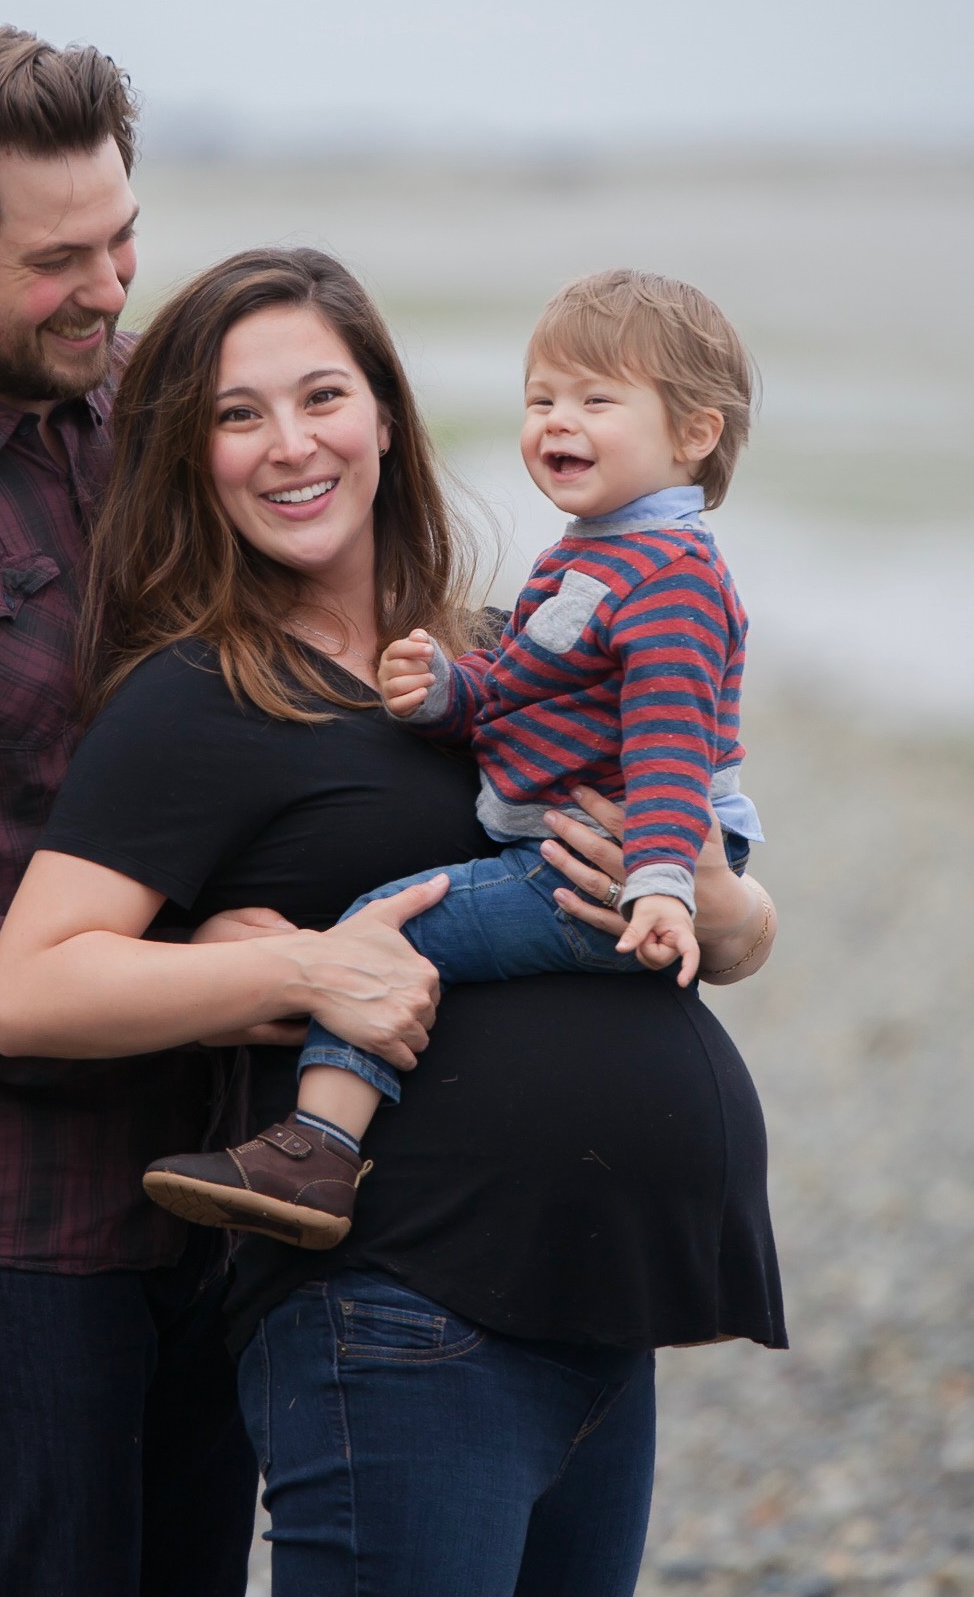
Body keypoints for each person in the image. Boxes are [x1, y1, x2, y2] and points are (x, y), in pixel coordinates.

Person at [0, 29, 452, 1597]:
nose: (112, 288)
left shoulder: (152, 424)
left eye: (122, 234)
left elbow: (297, 672)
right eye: (58, 260)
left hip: (224, 1177)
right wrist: (197, 979)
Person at [0, 245, 786, 1597]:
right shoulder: (198, 698)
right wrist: (299, 964)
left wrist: (720, 903)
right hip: (403, 1320)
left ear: (386, 417)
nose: (289, 445)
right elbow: (32, 988)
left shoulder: (487, 657)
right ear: (192, 457)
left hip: (607, 1316)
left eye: (321, 396)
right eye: (238, 416)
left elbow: (722, 900)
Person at [144, 267, 766, 1250]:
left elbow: (669, 747)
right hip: (496, 1226)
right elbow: (517, 685)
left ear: (693, 432)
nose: (558, 420)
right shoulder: (591, 559)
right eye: (540, 398)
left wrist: (664, 886)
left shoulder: (671, 579)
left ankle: (313, 1149)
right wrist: (445, 693)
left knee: (379, 933)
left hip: (607, 873)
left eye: (596, 398)